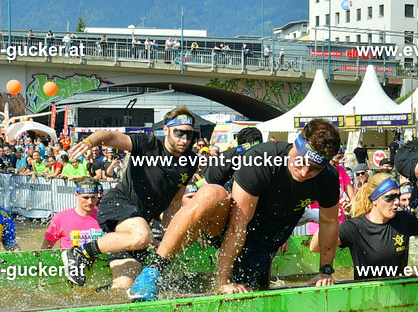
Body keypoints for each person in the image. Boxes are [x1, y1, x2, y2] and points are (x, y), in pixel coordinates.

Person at [127, 119, 342, 300]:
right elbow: (238, 225)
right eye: (300, 162)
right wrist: (223, 281)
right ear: (296, 144)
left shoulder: (328, 178)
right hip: (227, 223)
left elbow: (329, 223)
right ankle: (152, 271)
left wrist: (325, 271)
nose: (304, 172)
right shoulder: (262, 159)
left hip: (263, 242)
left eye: (314, 169)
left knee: (255, 297)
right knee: (212, 194)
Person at [61, 106, 202, 289]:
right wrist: (89, 142)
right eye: (179, 133)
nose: (184, 140)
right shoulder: (148, 145)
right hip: (118, 204)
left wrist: (166, 237)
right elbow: (108, 136)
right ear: (166, 130)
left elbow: (175, 203)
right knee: (142, 235)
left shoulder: (190, 161)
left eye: (189, 135)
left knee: (125, 289)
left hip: (138, 224)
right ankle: (79, 253)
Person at [309, 173, 418, 280]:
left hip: (401, 293)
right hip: (368, 298)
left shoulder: (404, 220)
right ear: (374, 200)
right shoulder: (354, 227)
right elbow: (315, 247)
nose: (396, 202)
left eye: (397, 197)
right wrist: (329, 219)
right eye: (389, 198)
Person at [42, 178, 104, 249]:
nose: (90, 202)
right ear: (76, 195)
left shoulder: (105, 216)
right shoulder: (60, 218)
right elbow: (46, 247)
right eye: (85, 198)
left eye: (93, 197)